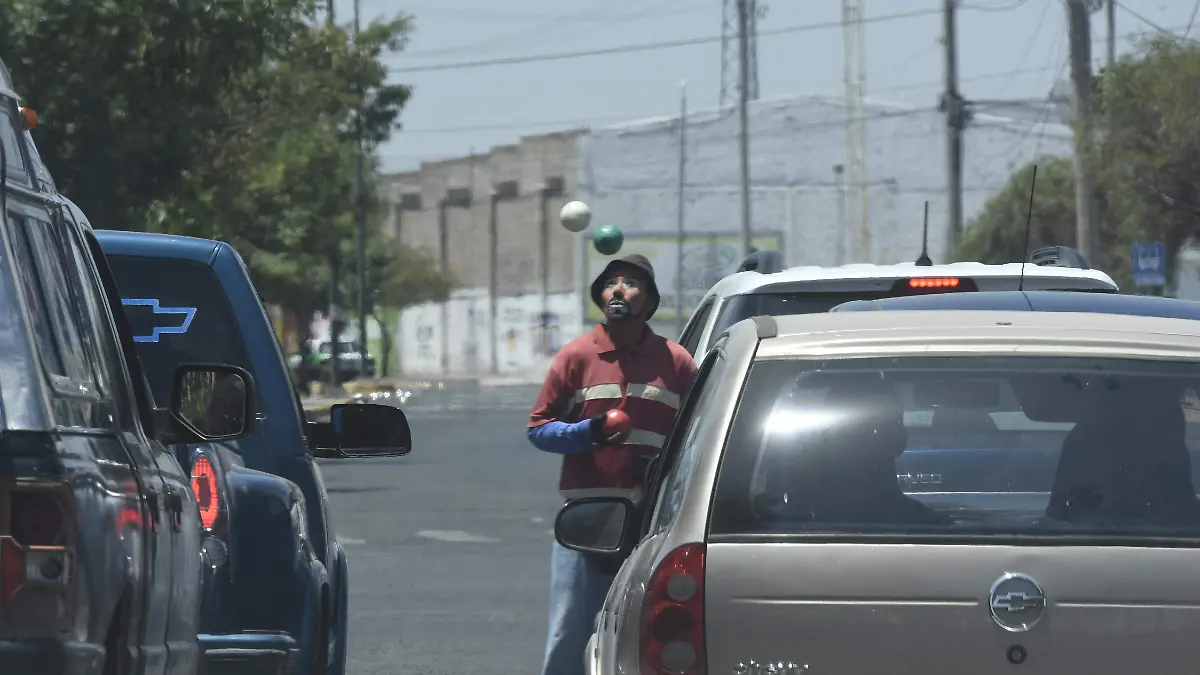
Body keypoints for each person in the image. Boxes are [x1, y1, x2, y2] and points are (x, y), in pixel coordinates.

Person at [527, 253, 697, 675]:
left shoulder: (676, 362)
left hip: (651, 521)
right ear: (600, 296)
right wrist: (589, 432)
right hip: (585, 519)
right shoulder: (575, 356)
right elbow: (539, 428)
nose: (619, 289)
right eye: (611, 282)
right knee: (570, 629)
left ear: (650, 299)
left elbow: (698, 435)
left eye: (631, 282)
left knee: (646, 631)